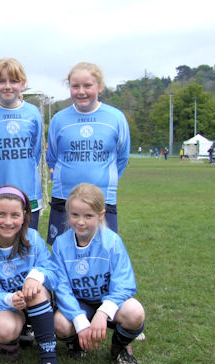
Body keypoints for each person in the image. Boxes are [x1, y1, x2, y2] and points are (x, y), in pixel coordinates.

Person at [51, 183, 145, 364]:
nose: (81, 222)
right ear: (68, 214)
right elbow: (61, 287)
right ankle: (78, 341)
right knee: (59, 323)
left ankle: (120, 346)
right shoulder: (60, 244)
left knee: (135, 312)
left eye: (88, 216)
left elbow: (125, 284)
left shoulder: (112, 242)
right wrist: (79, 319)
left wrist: (104, 312)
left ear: (101, 215)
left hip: (108, 302)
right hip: (80, 304)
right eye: (75, 215)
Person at [0, 186, 60, 364]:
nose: (8, 222)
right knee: (3, 329)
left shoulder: (33, 239)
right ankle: (11, 340)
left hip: (38, 302)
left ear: (24, 216)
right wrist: (9, 299)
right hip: (11, 307)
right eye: (1, 214)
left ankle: (49, 362)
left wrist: (35, 277)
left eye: (15, 215)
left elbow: (53, 273)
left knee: (35, 291)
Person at [46, 62, 130, 245]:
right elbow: (52, 157)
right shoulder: (59, 119)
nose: (81, 91)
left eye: (87, 85)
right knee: (62, 253)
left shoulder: (115, 118)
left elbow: (122, 158)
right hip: (64, 198)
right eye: (75, 86)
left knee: (103, 253)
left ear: (99, 87)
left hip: (103, 199)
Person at [0, 58, 43, 229]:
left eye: (13, 81)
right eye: (1, 81)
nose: (7, 86)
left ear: (23, 83)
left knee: (28, 246)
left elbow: (35, 154)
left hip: (28, 193)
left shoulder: (32, 113)